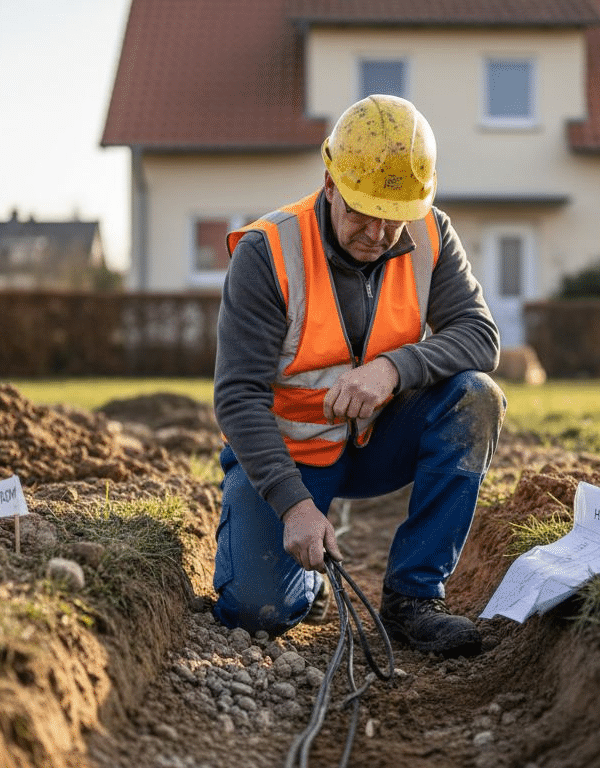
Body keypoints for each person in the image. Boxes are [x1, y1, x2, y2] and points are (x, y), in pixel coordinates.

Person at [210, 94, 505, 658]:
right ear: (329, 184)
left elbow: (479, 336)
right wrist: (294, 504)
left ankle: (414, 597)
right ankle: (306, 587)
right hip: (289, 452)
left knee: (475, 398)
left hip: (376, 442)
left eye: (393, 220)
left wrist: (394, 368)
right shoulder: (267, 253)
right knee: (256, 611)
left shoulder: (432, 235)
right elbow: (238, 397)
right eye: (361, 213)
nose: (376, 234)